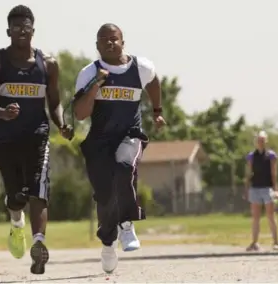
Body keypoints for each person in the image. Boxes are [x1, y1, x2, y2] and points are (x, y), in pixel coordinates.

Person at [0, 5, 73, 274]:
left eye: (26, 26)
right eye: (16, 26)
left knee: (38, 192)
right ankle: (16, 224)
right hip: (6, 140)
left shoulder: (49, 64)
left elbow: (54, 103)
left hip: (38, 137)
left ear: (34, 29)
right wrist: (2, 112)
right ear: (8, 31)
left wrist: (62, 124)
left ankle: (39, 244)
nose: (22, 30)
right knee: (16, 198)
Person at [72, 23, 165, 273]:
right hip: (99, 140)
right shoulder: (89, 72)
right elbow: (80, 114)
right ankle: (107, 244)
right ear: (97, 46)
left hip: (129, 135)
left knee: (124, 167)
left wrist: (157, 111)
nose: (109, 43)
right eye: (104, 40)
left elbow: (154, 83)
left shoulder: (140, 67)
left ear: (123, 42)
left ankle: (127, 223)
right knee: (104, 197)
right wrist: (95, 86)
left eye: (114, 39)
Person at [244, 130, 278, 251]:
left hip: (267, 188)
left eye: (262, 140)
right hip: (255, 188)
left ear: (266, 141)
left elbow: (273, 173)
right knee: (255, 217)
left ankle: (276, 242)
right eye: (259, 140)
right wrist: (247, 187)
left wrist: (275, 189)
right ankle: (254, 242)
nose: (260, 142)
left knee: (270, 215)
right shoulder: (251, 156)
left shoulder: (271, 156)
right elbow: (249, 173)